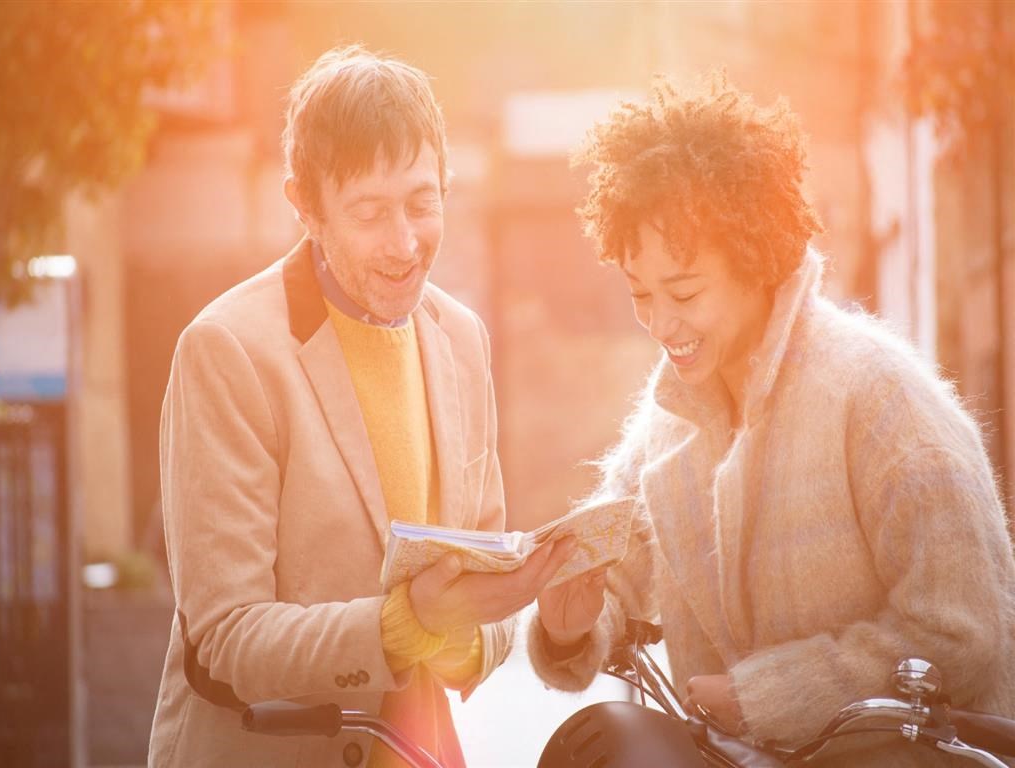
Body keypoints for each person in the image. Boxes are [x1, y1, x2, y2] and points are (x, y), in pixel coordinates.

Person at [529, 71, 1015, 767]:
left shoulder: (881, 397)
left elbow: (964, 631)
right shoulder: (668, 427)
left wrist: (770, 695)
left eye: (685, 291)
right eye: (640, 294)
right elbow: (611, 579)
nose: (661, 323)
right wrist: (570, 625)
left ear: (756, 261)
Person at [148, 46, 574, 768]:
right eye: (370, 212)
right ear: (305, 206)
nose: (405, 244)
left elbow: (482, 582)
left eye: (422, 201)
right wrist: (410, 623)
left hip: (418, 751)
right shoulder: (227, 351)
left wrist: (502, 617)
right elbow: (226, 637)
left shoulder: (461, 339)